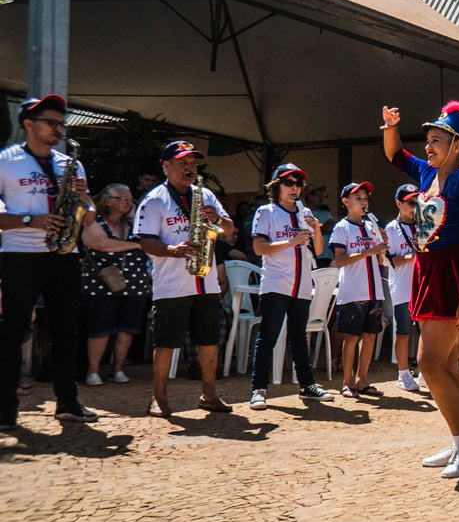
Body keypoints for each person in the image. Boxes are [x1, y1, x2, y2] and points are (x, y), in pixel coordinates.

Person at [383, 101, 459, 478]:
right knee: (447, 364)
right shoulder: (424, 172)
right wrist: (390, 126)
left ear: (457, 145)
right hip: (428, 271)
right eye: (428, 140)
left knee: (429, 363)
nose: (428, 146)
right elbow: (394, 154)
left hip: (454, 274)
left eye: (437, 140)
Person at [0, 96, 99, 428]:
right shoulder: (5, 161)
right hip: (20, 256)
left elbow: (89, 218)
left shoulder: (69, 163)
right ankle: (5, 409)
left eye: (61, 123)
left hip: (64, 254)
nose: (59, 129)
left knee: (66, 331)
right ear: (28, 123)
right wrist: (31, 220)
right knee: (13, 331)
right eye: (51, 123)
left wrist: (83, 196)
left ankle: (68, 403)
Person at [135, 140, 235, 417]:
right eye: (183, 163)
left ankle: (209, 395)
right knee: (166, 342)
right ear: (166, 166)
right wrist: (172, 250)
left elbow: (228, 229)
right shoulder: (155, 199)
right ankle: (158, 398)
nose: (190, 168)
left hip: (206, 280)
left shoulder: (206, 195)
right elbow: (145, 241)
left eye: (193, 163)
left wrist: (218, 219)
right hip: (171, 284)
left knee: (209, 340)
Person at [246, 164, 332, 409]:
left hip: (301, 283)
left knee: (299, 337)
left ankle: (307, 385)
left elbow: (318, 250)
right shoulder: (267, 212)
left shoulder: (304, 212)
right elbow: (259, 248)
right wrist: (290, 241)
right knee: (268, 337)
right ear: (277, 186)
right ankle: (259, 389)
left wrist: (316, 229)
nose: (294, 187)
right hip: (276, 282)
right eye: (288, 183)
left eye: (298, 184)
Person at [79, 183, 149, 387]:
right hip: (100, 284)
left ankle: (117, 369)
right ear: (108, 201)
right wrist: (136, 245)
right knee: (100, 330)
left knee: (127, 329)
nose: (129, 203)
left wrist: (135, 215)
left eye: (130, 199)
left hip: (134, 283)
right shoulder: (94, 220)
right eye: (123, 199)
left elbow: (150, 239)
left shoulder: (133, 223)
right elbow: (100, 243)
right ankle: (93, 370)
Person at [328, 182, 390, 399]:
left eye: (365, 198)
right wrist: (368, 251)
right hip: (354, 290)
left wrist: (382, 246)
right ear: (345, 202)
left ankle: (362, 380)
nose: (363, 202)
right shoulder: (341, 227)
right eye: (358, 198)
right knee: (352, 337)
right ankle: (347, 382)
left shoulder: (371, 226)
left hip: (374, 289)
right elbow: (340, 260)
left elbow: (380, 261)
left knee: (370, 336)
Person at [384, 184, 421, 392]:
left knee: (426, 331)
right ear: (399, 204)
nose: (414, 207)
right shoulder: (391, 229)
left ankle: (424, 371)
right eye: (410, 203)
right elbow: (390, 260)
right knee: (403, 330)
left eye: (417, 202)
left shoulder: (424, 225)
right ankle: (403, 374)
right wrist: (412, 257)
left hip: (423, 287)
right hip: (403, 287)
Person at [303, 186, 335, 267]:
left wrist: (314, 229)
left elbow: (331, 227)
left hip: (327, 256)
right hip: (310, 258)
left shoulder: (326, 213)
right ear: (309, 196)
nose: (321, 198)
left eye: (322, 196)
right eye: (318, 196)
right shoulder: (303, 213)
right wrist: (318, 230)